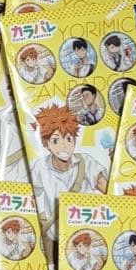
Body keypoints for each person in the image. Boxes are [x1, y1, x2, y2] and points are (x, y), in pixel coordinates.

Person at [30, 104, 107, 245]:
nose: (64, 145)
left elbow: (107, 188)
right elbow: (32, 197)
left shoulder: (86, 162)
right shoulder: (40, 167)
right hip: (54, 239)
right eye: (55, 140)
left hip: (86, 235)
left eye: (69, 139)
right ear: (46, 144)